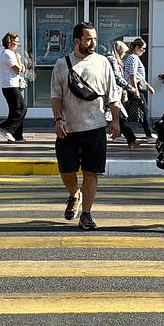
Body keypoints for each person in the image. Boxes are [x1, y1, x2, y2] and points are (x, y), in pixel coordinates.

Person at [49, 22, 123, 230]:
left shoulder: (102, 63)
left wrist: (115, 120)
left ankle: (87, 215)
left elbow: (113, 94)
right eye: (88, 39)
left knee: (91, 172)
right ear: (76, 41)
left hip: (96, 127)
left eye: (95, 39)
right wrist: (58, 119)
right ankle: (74, 194)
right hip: (68, 129)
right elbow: (56, 96)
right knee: (66, 170)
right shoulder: (62, 64)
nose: (93, 43)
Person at [0, 31, 27, 143]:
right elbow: (18, 69)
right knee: (22, 108)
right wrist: (19, 60)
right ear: (10, 42)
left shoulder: (12, 54)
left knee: (15, 110)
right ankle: (5, 127)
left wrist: (19, 61)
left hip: (13, 85)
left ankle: (17, 136)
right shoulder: (7, 54)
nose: (18, 45)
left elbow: (22, 69)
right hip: (10, 86)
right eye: (17, 42)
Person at [111, 41, 142, 148]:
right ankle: (130, 140)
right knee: (120, 117)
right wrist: (131, 88)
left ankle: (127, 139)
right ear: (118, 50)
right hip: (111, 95)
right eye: (123, 52)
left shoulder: (116, 60)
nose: (124, 55)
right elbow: (117, 77)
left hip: (116, 93)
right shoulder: (112, 59)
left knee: (120, 117)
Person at [125, 38, 154, 141]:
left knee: (127, 111)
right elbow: (132, 75)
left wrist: (147, 86)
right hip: (134, 88)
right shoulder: (133, 58)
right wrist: (136, 90)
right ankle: (149, 134)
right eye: (143, 48)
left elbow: (138, 76)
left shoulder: (132, 57)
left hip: (133, 88)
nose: (144, 51)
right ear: (137, 47)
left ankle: (120, 133)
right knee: (144, 110)